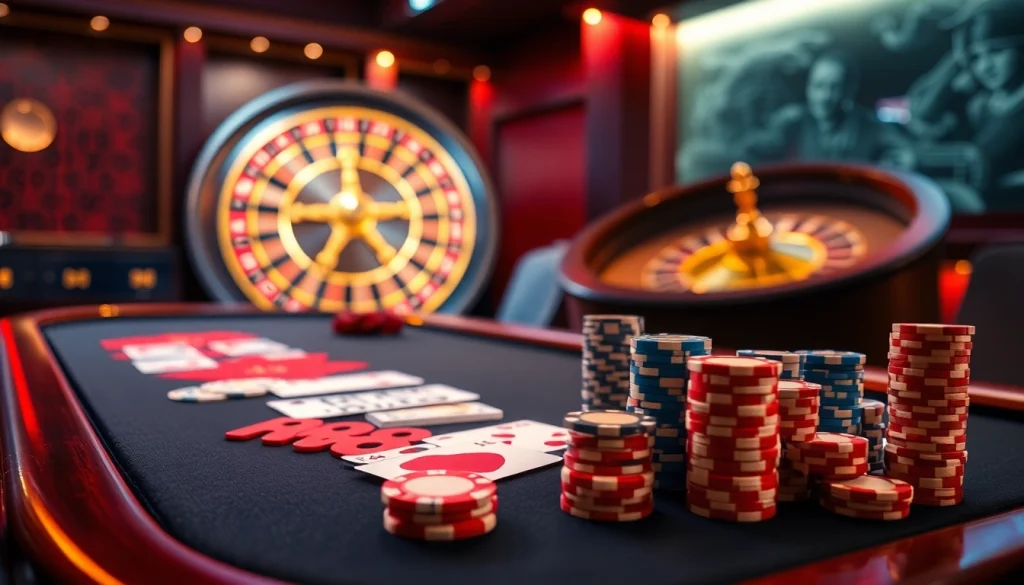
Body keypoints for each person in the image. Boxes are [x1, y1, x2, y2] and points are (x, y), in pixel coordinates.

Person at [908, 0, 1024, 211]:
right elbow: (922, 111)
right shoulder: (982, 106)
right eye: (977, 58)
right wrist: (958, 56)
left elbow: (983, 163)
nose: (985, 66)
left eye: (997, 52)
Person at [741, 52, 913, 166]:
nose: (824, 97)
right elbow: (756, 148)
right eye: (818, 86)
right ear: (808, 87)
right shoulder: (792, 121)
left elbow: (904, 153)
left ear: (848, 90)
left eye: (834, 87)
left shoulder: (869, 125)